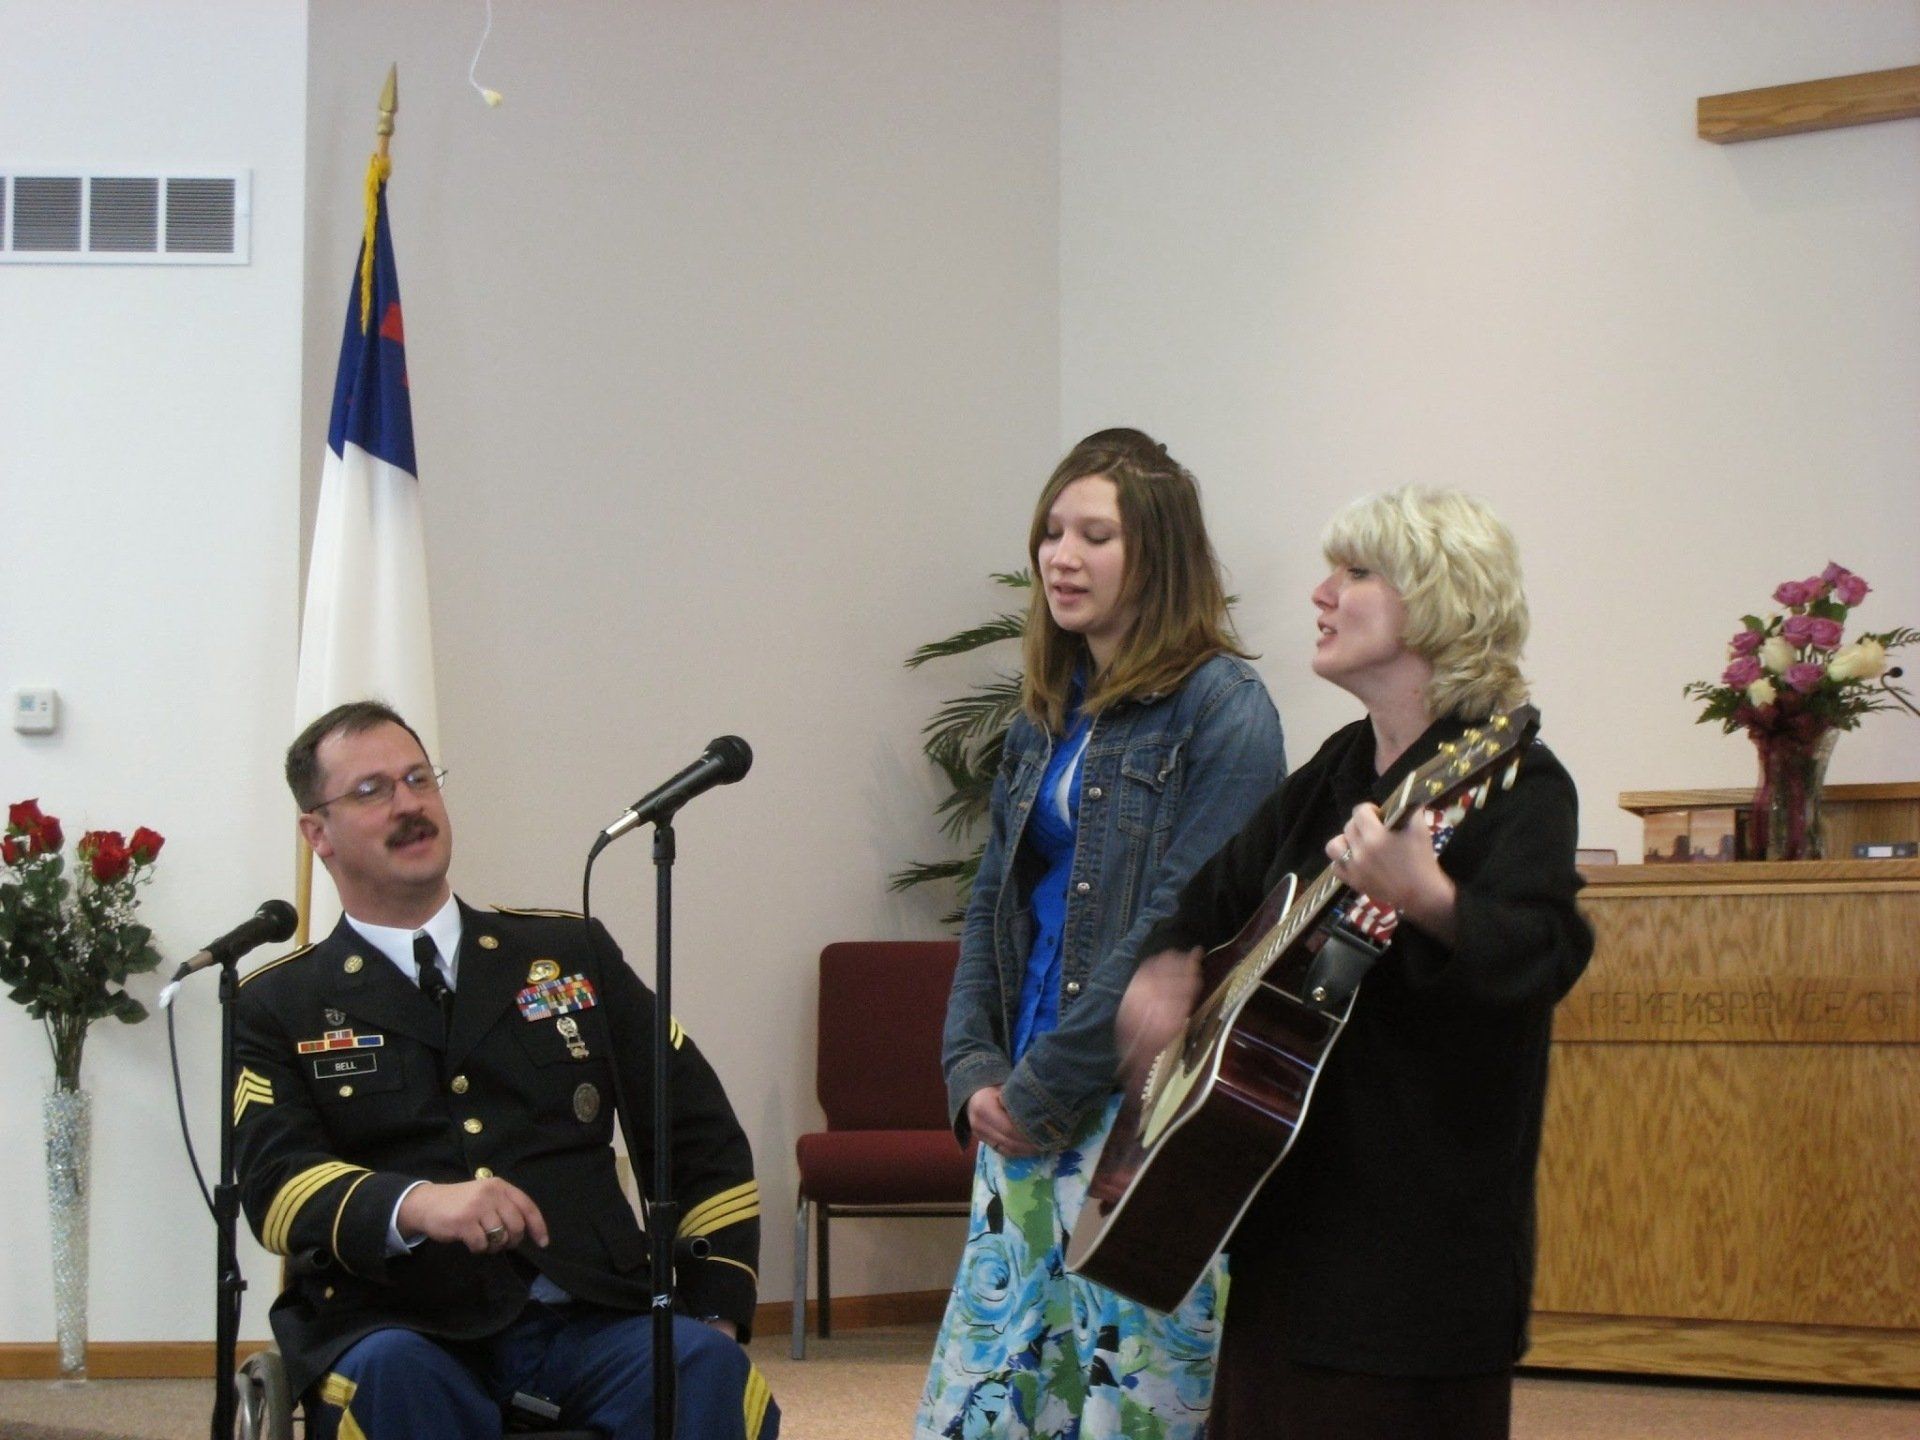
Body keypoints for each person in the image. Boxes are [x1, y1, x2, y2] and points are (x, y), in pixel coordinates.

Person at [1117, 486, 1594, 1439]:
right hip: (1287, 1219)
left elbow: (1546, 955)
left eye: (1357, 572)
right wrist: (1166, 972)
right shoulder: (1337, 770)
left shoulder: (1520, 783)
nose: (1321, 592)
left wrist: (1433, 900)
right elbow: (1206, 901)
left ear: (1440, 600)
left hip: (1421, 1247)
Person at [233, 701, 777, 1440]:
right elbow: (277, 1186)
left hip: (593, 1314)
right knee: (391, 1378)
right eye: (371, 790)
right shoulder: (278, 1003)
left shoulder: (568, 954)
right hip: (400, 1324)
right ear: (317, 833)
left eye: (419, 779)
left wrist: (715, 1310)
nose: (409, 804)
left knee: (704, 1368)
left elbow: (697, 1132)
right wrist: (418, 1204)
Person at [915, 429, 1286, 1439]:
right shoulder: (1045, 711)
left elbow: (1183, 920)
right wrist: (973, 1068)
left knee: (1127, 1407)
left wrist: (1042, 1089)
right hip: (1020, 1086)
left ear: (1158, 555)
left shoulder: (1225, 709)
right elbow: (993, 902)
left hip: (1137, 1111)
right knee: (993, 1405)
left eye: (1096, 536)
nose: (1061, 557)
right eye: (1052, 532)